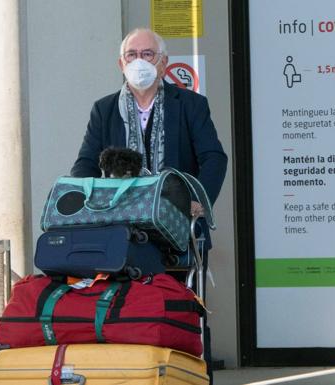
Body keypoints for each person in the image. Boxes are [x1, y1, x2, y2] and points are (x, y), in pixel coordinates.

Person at [71, 28, 227, 381]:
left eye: (148, 54)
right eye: (132, 55)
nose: (139, 61)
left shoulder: (190, 105)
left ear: (163, 62)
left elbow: (214, 158)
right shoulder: (104, 109)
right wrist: (91, 196)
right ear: (120, 63)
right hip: (120, 231)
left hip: (177, 228)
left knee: (183, 313)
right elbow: (83, 165)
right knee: (121, 314)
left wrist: (198, 199)